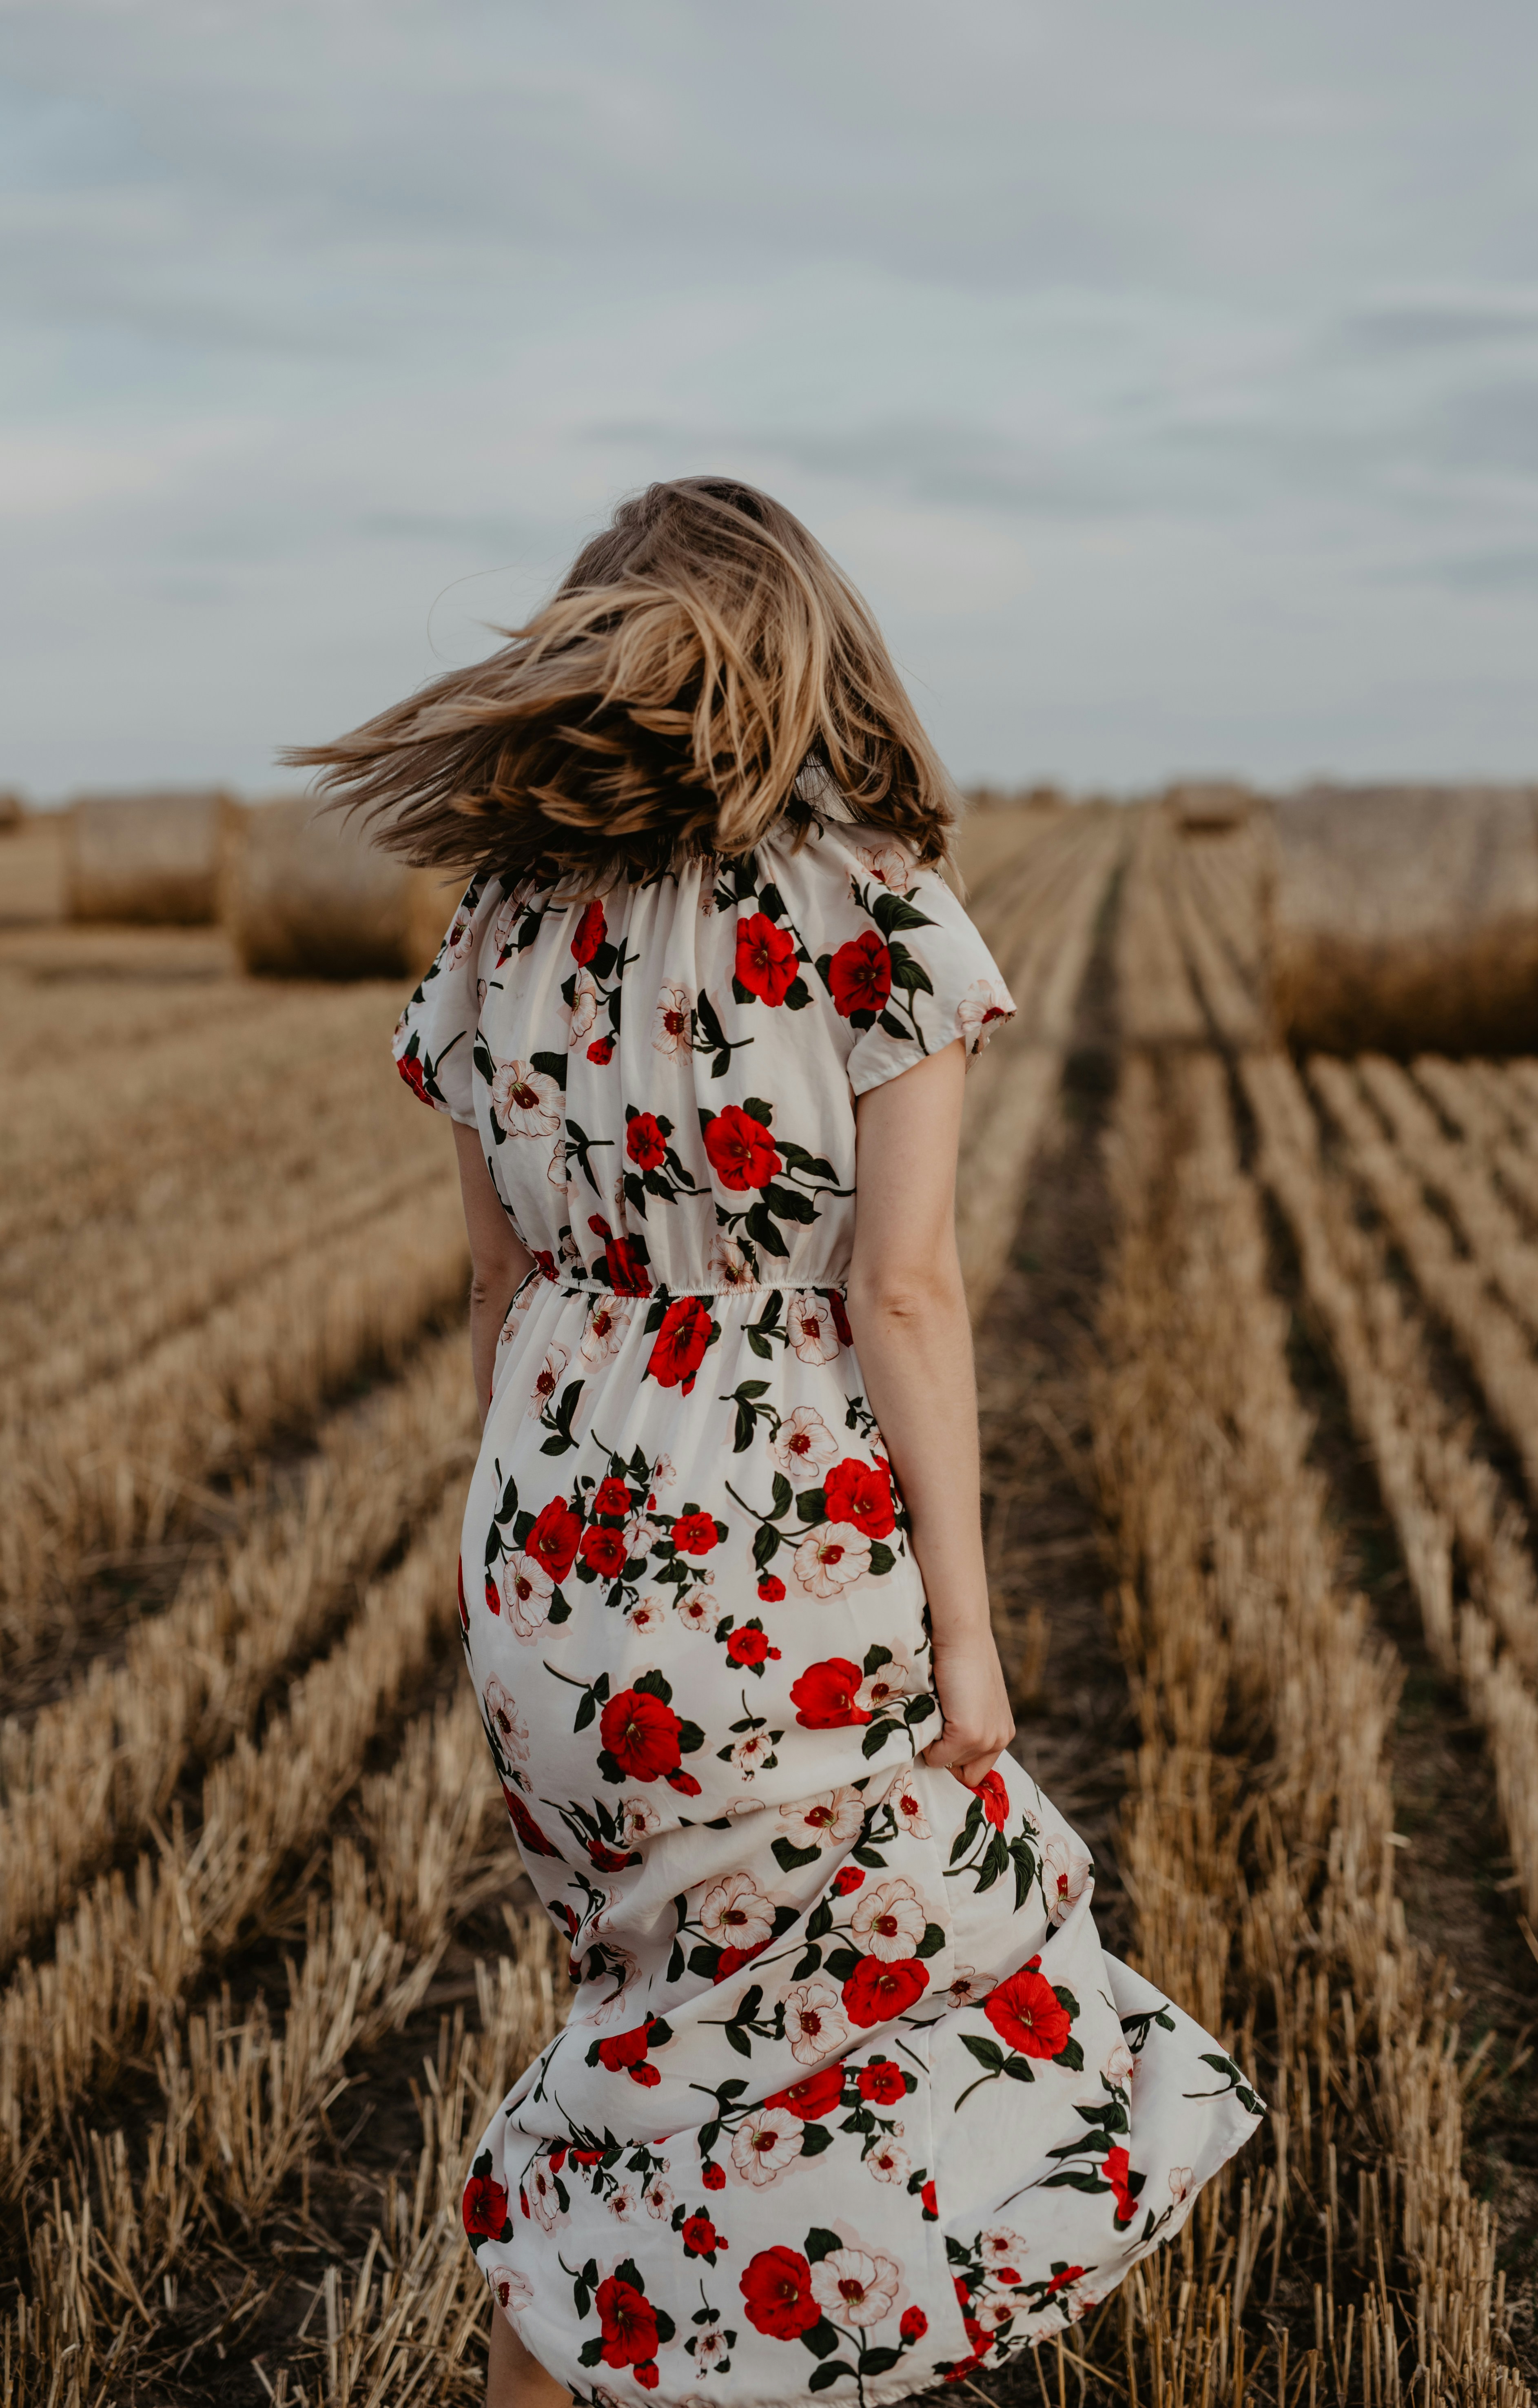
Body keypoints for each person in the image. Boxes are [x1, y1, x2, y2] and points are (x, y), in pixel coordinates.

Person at [292, 478, 1261, 2408]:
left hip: (554, 1560)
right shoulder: (876, 907)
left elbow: (496, 1299)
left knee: (658, 2039)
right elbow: (901, 1295)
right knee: (880, 2018)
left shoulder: (500, 928)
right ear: (815, 645)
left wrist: (538, 1571)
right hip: (768, 1561)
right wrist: (966, 1638)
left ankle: (558, 2358)